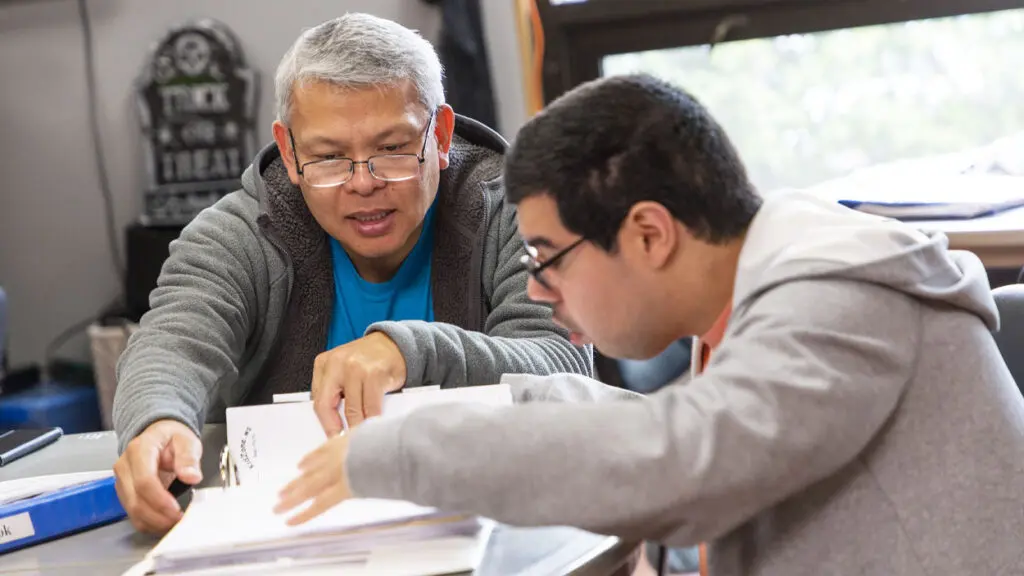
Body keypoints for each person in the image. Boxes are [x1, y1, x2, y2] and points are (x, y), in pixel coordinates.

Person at [275, 74, 1024, 575]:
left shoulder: (838, 295)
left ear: (649, 234)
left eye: (549, 257)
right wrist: (473, 405)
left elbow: (686, 462)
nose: (540, 291)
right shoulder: (766, 286)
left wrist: (408, 448)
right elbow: (695, 425)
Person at [111, 13, 591, 534]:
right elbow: (174, 340)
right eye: (329, 158)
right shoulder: (239, 233)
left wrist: (408, 351)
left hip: (499, 519)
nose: (363, 184)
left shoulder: (518, 210)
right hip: (295, 532)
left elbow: (562, 363)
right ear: (290, 152)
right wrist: (157, 420)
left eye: (391, 149)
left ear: (442, 134)